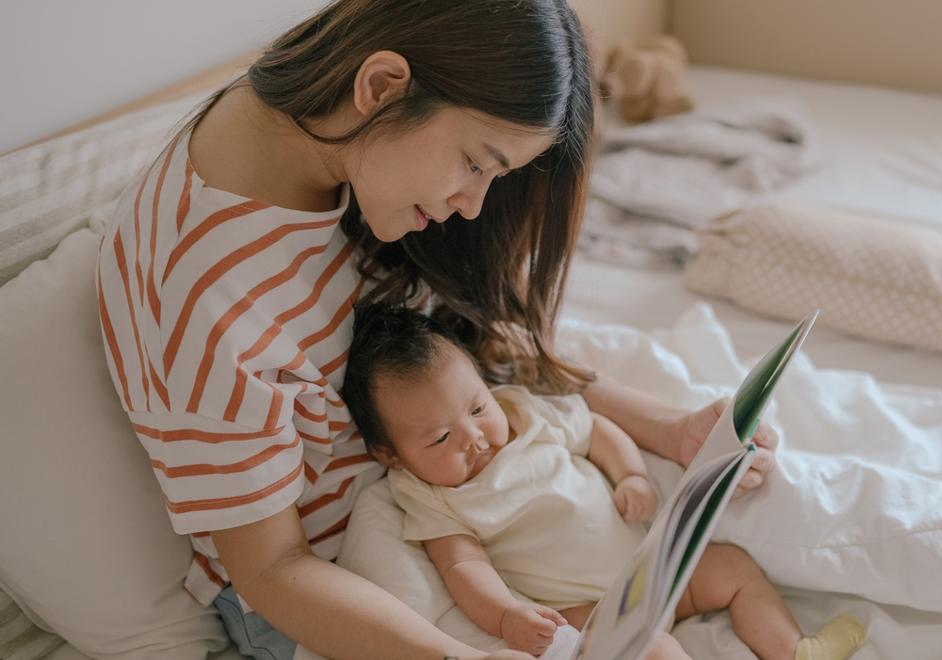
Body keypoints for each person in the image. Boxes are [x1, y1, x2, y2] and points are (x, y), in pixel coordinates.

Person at [95, 1, 781, 658]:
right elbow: (271, 569)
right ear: (383, 85)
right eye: (478, 164)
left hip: (477, 504)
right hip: (342, 588)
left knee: (770, 516)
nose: (472, 204)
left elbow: (465, 357)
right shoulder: (213, 294)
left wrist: (673, 430)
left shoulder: (329, 135)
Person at [340, 304, 867, 660]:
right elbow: (462, 566)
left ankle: (794, 649)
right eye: (439, 439)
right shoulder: (429, 494)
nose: (475, 437)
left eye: (477, 407)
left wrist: (631, 473)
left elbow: (597, 432)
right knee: (655, 650)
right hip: (589, 604)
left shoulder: (523, 413)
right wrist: (506, 617)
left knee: (732, 568)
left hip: (653, 565)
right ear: (391, 455)